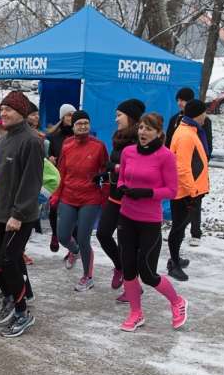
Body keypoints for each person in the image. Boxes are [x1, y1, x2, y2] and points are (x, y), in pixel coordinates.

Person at [0, 90, 44, 338]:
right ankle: (8, 296)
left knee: (7, 259)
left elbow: (31, 183)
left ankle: (22, 313)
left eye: (9, 109)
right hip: (0, 212)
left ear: (22, 113)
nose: (3, 113)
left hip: (20, 216)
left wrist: (17, 214)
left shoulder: (31, 141)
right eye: (2, 108)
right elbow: (0, 180)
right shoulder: (4, 137)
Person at [114, 112, 186, 331]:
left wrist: (146, 192)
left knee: (147, 272)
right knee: (128, 267)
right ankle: (136, 313)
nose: (143, 133)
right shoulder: (128, 151)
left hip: (149, 221)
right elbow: (122, 178)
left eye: (148, 129)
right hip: (126, 217)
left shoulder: (165, 156)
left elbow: (172, 191)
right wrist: (122, 187)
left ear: (159, 133)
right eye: (141, 127)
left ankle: (177, 302)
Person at [50, 110, 109, 291]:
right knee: (63, 236)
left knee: (83, 239)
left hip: (90, 200)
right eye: (79, 123)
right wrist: (56, 195)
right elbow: (62, 173)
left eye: (86, 123)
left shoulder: (99, 146)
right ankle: (74, 252)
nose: (83, 126)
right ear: (73, 126)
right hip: (68, 197)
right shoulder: (67, 145)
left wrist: (105, 198)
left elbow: (105, 175)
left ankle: (87, 277)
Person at [96, 99, 145, 302]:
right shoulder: (119, 138)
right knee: (103, 234)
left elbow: (138, 170)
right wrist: (106, 176)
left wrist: (113, 168)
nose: (115, 119)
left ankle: (133, 286)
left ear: (130, 117)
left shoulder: (139, 141)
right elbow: (119, 166)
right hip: (114, 196)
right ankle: (119, 267)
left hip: (129, 200)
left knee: (128, 246)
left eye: (119, 115)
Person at [167, 99, 210, 281]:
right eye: (204, 112)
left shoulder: (190, 131)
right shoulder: (186, 135)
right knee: (178, 228)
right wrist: (192, 192)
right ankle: (173, 264)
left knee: (181, 227)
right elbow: (182, 168)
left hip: (188, 191)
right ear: (197, 114)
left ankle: (175, 258)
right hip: (184, 193)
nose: (206, 115)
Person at [46, 103, 76, 253]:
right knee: (54, 208)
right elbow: (51, 155)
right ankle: (55, 234)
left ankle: (73, 246)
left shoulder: (79, 137)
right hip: (58, 178)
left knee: (73, 211)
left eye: (73, 115)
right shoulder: (55, 138)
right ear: (62, 118)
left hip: (74, 178)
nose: (71, 118)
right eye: (68, 115)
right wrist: (51, 158)